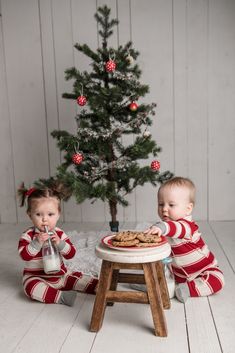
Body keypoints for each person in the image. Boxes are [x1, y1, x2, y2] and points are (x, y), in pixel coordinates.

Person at [145, 176, 225, 303]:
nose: (164, 209)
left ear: (188, 208)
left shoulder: (187, 226)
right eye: (161, 204)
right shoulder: (164, 227)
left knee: (218, 280)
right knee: (161, 273)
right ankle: (150, 285)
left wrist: (162, 227)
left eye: (171, 205)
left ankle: (187, 289)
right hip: (178, 274)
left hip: (203, 270)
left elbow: (175, 228)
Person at [17, 183, 98, 306]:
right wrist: (37, 242)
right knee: (30, 287)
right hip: (37, 277)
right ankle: (61, 297)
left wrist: (60, 243)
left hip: (61, 276)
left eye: (50, 214)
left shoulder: (59, 233)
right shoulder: (28, 235)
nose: (44, 219)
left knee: (79, 278)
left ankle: (101, 288)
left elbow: (71, 253)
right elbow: (24, 255)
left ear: (58, 214)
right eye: (38, 214)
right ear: (30, 215)